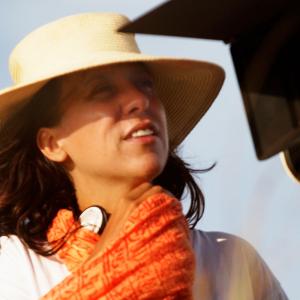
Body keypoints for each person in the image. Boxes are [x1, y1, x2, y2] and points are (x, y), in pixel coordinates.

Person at [0, 12, 288, 300]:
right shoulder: (15, 265)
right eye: (102, 90)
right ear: (51, 144)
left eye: (145, 84)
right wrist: (111, 262)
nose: (140, 100)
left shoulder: (232, 260)